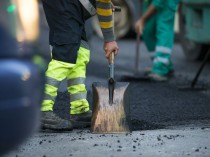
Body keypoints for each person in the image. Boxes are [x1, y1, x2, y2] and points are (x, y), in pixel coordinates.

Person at [41, 0, 119, 131]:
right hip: (64, 5)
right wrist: (109, 39)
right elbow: (103, 3)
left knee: (80, 52)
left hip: (73, 9)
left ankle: (79, 110)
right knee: (64, 56)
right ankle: (41, 109)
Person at [135, 0, 179, 81]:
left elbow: (158, 2)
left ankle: (161, 67)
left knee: (163, 29)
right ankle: (164, 65)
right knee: (147, 30)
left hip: (167, 2)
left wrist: (143, 19)